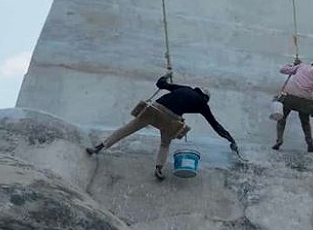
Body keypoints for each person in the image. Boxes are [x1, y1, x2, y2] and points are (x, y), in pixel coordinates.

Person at [86, 74, 240, 180]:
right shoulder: (202, 104)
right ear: (205, 98)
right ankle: (159, 169)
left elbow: (160, 84)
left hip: (155, 109)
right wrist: (230, 138)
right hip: (170, 119)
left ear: (196, 89)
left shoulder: (185, 88)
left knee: (127, 129)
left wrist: (166, 75)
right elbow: (216, 125)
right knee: (165, 143)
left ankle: (99, 146)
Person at [273, 58, 313, 153]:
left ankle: (279, 140)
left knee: (282, 119)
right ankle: (309, 142)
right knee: (305, 122)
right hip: (304, 101)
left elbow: (283, 70)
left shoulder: (301, 66)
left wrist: (292, 66)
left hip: (289, 96)